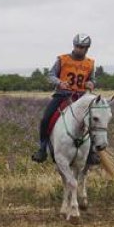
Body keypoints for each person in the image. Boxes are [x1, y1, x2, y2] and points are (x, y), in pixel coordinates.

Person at [31, 33, 98, 163]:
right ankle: (42, 149)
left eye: (83, 47)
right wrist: (59, 82)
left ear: (87, 48)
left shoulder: (90, 63)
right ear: (74, 45)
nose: (79, 49)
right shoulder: (62, 59)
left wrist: (92, 83)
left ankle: (91, 152)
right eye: (78, 46)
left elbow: (93, 79)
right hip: (62, 95)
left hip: (81, 97)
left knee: (95, 121)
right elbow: (50, 75)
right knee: (45, 119)